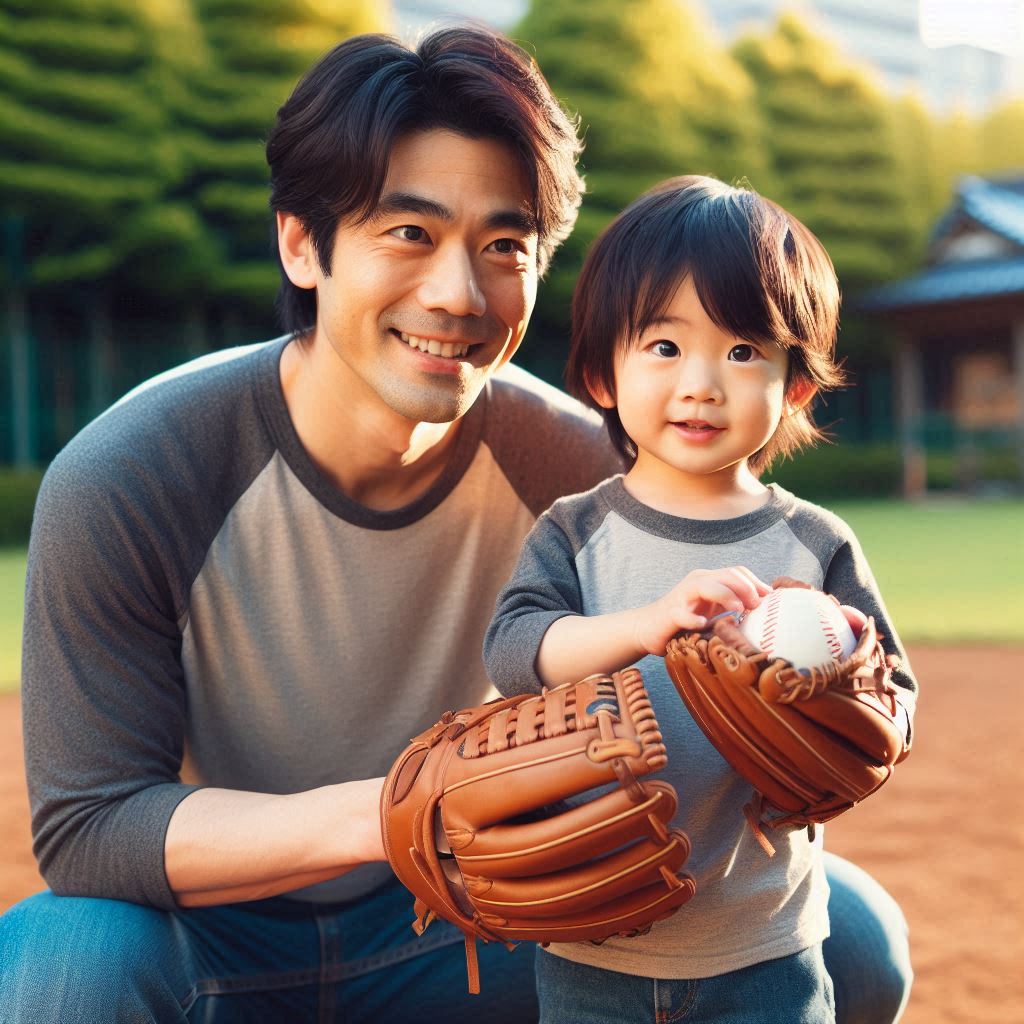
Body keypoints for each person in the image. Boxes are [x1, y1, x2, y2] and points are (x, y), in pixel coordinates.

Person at [0, 27, 910, 1024]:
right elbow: (91, 826)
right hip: (220, 934)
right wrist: (402, 809)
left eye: (503, 246)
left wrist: (801, 713)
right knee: (65, 959)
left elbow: (695, 693)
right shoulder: (133, 472)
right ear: (302, 243)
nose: (459, 293)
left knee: (847, 937)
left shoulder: (585, 468)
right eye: (409, 233)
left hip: (477, 919)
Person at [484, 175, 918, 1024]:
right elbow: (513, 649)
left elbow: (895, 702)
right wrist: (646, 626)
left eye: (744, 351)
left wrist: (853, 704)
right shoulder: (575, 532)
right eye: (664, 346)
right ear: (603, 373)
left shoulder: (816, 544)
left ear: (795, 384)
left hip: (766, 943)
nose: (703, 384)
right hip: (594, 942)